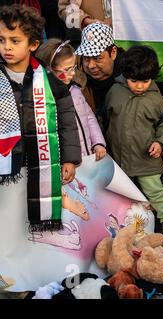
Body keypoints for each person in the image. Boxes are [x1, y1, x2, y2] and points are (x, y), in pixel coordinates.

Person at [0, 5, 81, 296]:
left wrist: (71, 157)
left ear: (33, 44)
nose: (6, 47)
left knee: (30, 224)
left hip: (38, 162)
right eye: (1, 40)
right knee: (7, 223)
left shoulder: (47, 80)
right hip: (6, 165)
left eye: (15, 40)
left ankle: (33, 274)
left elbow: (67, 117)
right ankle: (8, 279)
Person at [105, 45, 163, 242]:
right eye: (134, 81)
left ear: (152, 77)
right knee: (121, 194)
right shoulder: (114, 91)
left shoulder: (156, 98)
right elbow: (105, 119)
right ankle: (124, 227)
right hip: (119, 157)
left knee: (155, 191)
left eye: (145, 81)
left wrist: (160, 143)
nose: (139, 86)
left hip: (146, 158)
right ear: (125, 75)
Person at [36, 39, 107, 160]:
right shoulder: (44, 98)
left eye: (73, 67)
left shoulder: (76, 90)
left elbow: (89, 117)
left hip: (88, 156)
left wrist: (98, 143)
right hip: (67, 162)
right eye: (67, 69)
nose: (73, 73)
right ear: (49, 70)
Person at [74, 22, 124, 133]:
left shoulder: (132, 77)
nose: (91, 65)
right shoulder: (74, 80)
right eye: (86, 58)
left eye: (97, 58)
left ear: (113, 52)